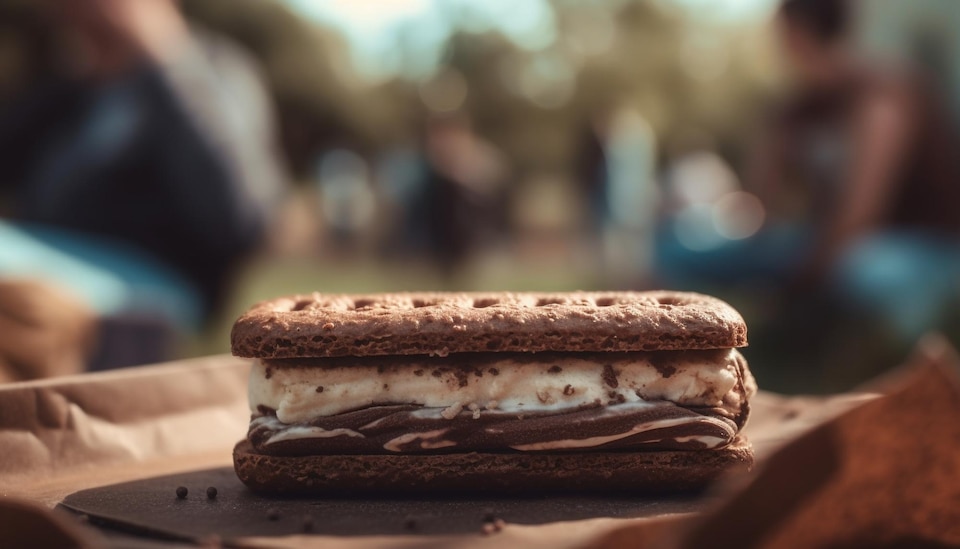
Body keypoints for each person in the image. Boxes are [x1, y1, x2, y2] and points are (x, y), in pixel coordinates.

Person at [656, 0, 960, 378]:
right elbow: (762, 212)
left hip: (915, 248)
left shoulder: (883, 95)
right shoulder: (796, 110)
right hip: (825, 246)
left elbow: (859, 217)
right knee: (676, 245)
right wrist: (772, 134)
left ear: (792, 31)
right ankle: (667, 343)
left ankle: (880, 346)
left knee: (864, 270)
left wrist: (798, 278)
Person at [0, 0, 287, 371]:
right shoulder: (75, 88)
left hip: (158, 284)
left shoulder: (217, 68)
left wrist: (163, 54)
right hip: (42, 257)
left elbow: (242, 218)